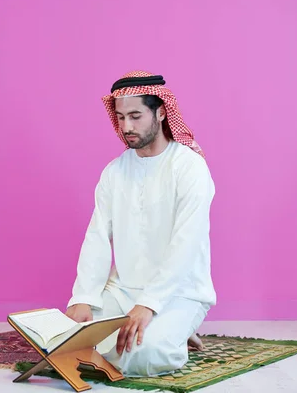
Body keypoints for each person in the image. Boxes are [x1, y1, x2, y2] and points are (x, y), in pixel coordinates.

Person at [65, 71, 217, 377]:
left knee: (142, 355)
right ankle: (170, 331)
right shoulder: (114, 172)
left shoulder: (190, 168)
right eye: (120, 118)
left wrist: (149, 304)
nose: (126, 127)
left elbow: (185, 244)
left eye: (135, 116)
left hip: (180, 291)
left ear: (161, 112)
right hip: (122, 288)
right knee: (69, 342)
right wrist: (83, 297)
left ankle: (174, 329)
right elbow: (96, 236)